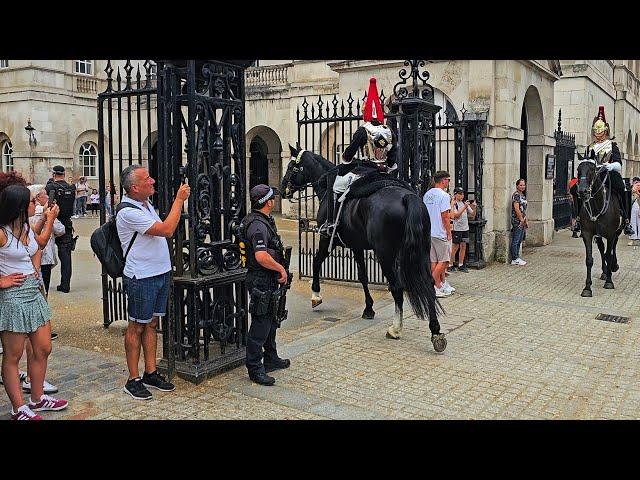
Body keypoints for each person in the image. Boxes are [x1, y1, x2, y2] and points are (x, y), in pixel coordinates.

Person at [116, 164, 190, 400]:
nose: (153, 181)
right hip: (141, 276)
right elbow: (167, 229)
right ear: (134, 187)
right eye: (147, 179)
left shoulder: (146, 205)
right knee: (136, 325)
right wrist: (179, 199)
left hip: (159, 273)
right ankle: (133, 378)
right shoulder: (128, 212)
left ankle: (150, 372)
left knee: (151, 324)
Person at [0, 184, 68, 420]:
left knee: (43, 347)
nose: (35, 205)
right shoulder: (1, 233)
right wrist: (2, 280)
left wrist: (49, 218)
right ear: (18, 207)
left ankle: (37, 399)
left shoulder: (25, 228)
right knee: (13, 355)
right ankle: (18, 408)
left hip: (33, 293)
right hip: (14, 297)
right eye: (31, 202)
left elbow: (39, 243)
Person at [323, 77, 397, 235]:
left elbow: (349, 153)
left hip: (365, 171)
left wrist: (345, 160)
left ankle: (331, 224)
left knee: (335, 186)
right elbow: (393, 156)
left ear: (367, 113)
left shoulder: (363, 130)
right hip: (384, 172)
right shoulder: (389, 131)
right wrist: (388, 167)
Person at [239, 184, 291, 386]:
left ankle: (271, 357)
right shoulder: (258, 225)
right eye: (273, 199)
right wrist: (280, 269)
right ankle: (254, 368)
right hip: (262, 278)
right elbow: (261, 256)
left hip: (266, 278)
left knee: (270, 318)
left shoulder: (261, 220)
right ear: (268, 202)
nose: (274, 201)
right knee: (261, 323)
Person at [583, 106, 634, 236]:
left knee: (622, 189)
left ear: (605, 131)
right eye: (595, 130)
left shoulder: (612, 145)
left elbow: (618, 163)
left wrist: (610, 166)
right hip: (593, 174)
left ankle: (626, 219)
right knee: (577, 189)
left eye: (599, 131)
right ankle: (579, 220)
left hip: (608, 173)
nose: (597, 133)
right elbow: (586, 161)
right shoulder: (590, 147)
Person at [423, 171, 454, 297]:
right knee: (444, 261)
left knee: (434, 261)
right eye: (448, 180)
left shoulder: (427, 195)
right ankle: (431, 284)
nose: (448, 182)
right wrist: (448, 231)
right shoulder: (444, 195)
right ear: (443, 181)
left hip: (430, 232)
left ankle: (437, 285)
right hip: (440, 232)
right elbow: (445, 216)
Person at [45, 165, 75, 293]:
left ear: (53, 174)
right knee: (66, 256)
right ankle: (65, 284)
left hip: (52, 221)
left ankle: (44, 282)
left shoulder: (50, 187)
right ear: (63, 174)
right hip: (66, 222)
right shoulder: (71, 188)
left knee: (44, 252)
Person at [448, 187, 476, 273]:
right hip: (457, 228)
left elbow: (472, 215)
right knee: (455, 246)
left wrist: (474, 207)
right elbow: (456, 215)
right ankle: (451, 264)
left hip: (465, 228)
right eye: (460, 194)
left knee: (463, 246)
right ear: (455, 194)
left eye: (463, 194)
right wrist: (465, 207)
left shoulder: (464, 203)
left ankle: (461, 264)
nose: (462, 196)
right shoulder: (454, 204)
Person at [511, 178, 528, 266]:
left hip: (522, 220)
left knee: (520, 239)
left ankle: (517, 256)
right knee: (516, 239)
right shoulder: (516, 195)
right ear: (517, 186)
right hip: (517, 220)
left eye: (523, 185)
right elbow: (517, 209)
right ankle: (514, 258)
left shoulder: (523, 195)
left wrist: (525, 220)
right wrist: (521, 219)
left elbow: (524, 209)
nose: (522, 187)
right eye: (521, 185)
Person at [628, 177, 640, 245]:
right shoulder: (632, 187)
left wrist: (637, 192)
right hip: (633, 206)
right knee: (633, 223)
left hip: (638, 205)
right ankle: (632, 239)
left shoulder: (638, 186)